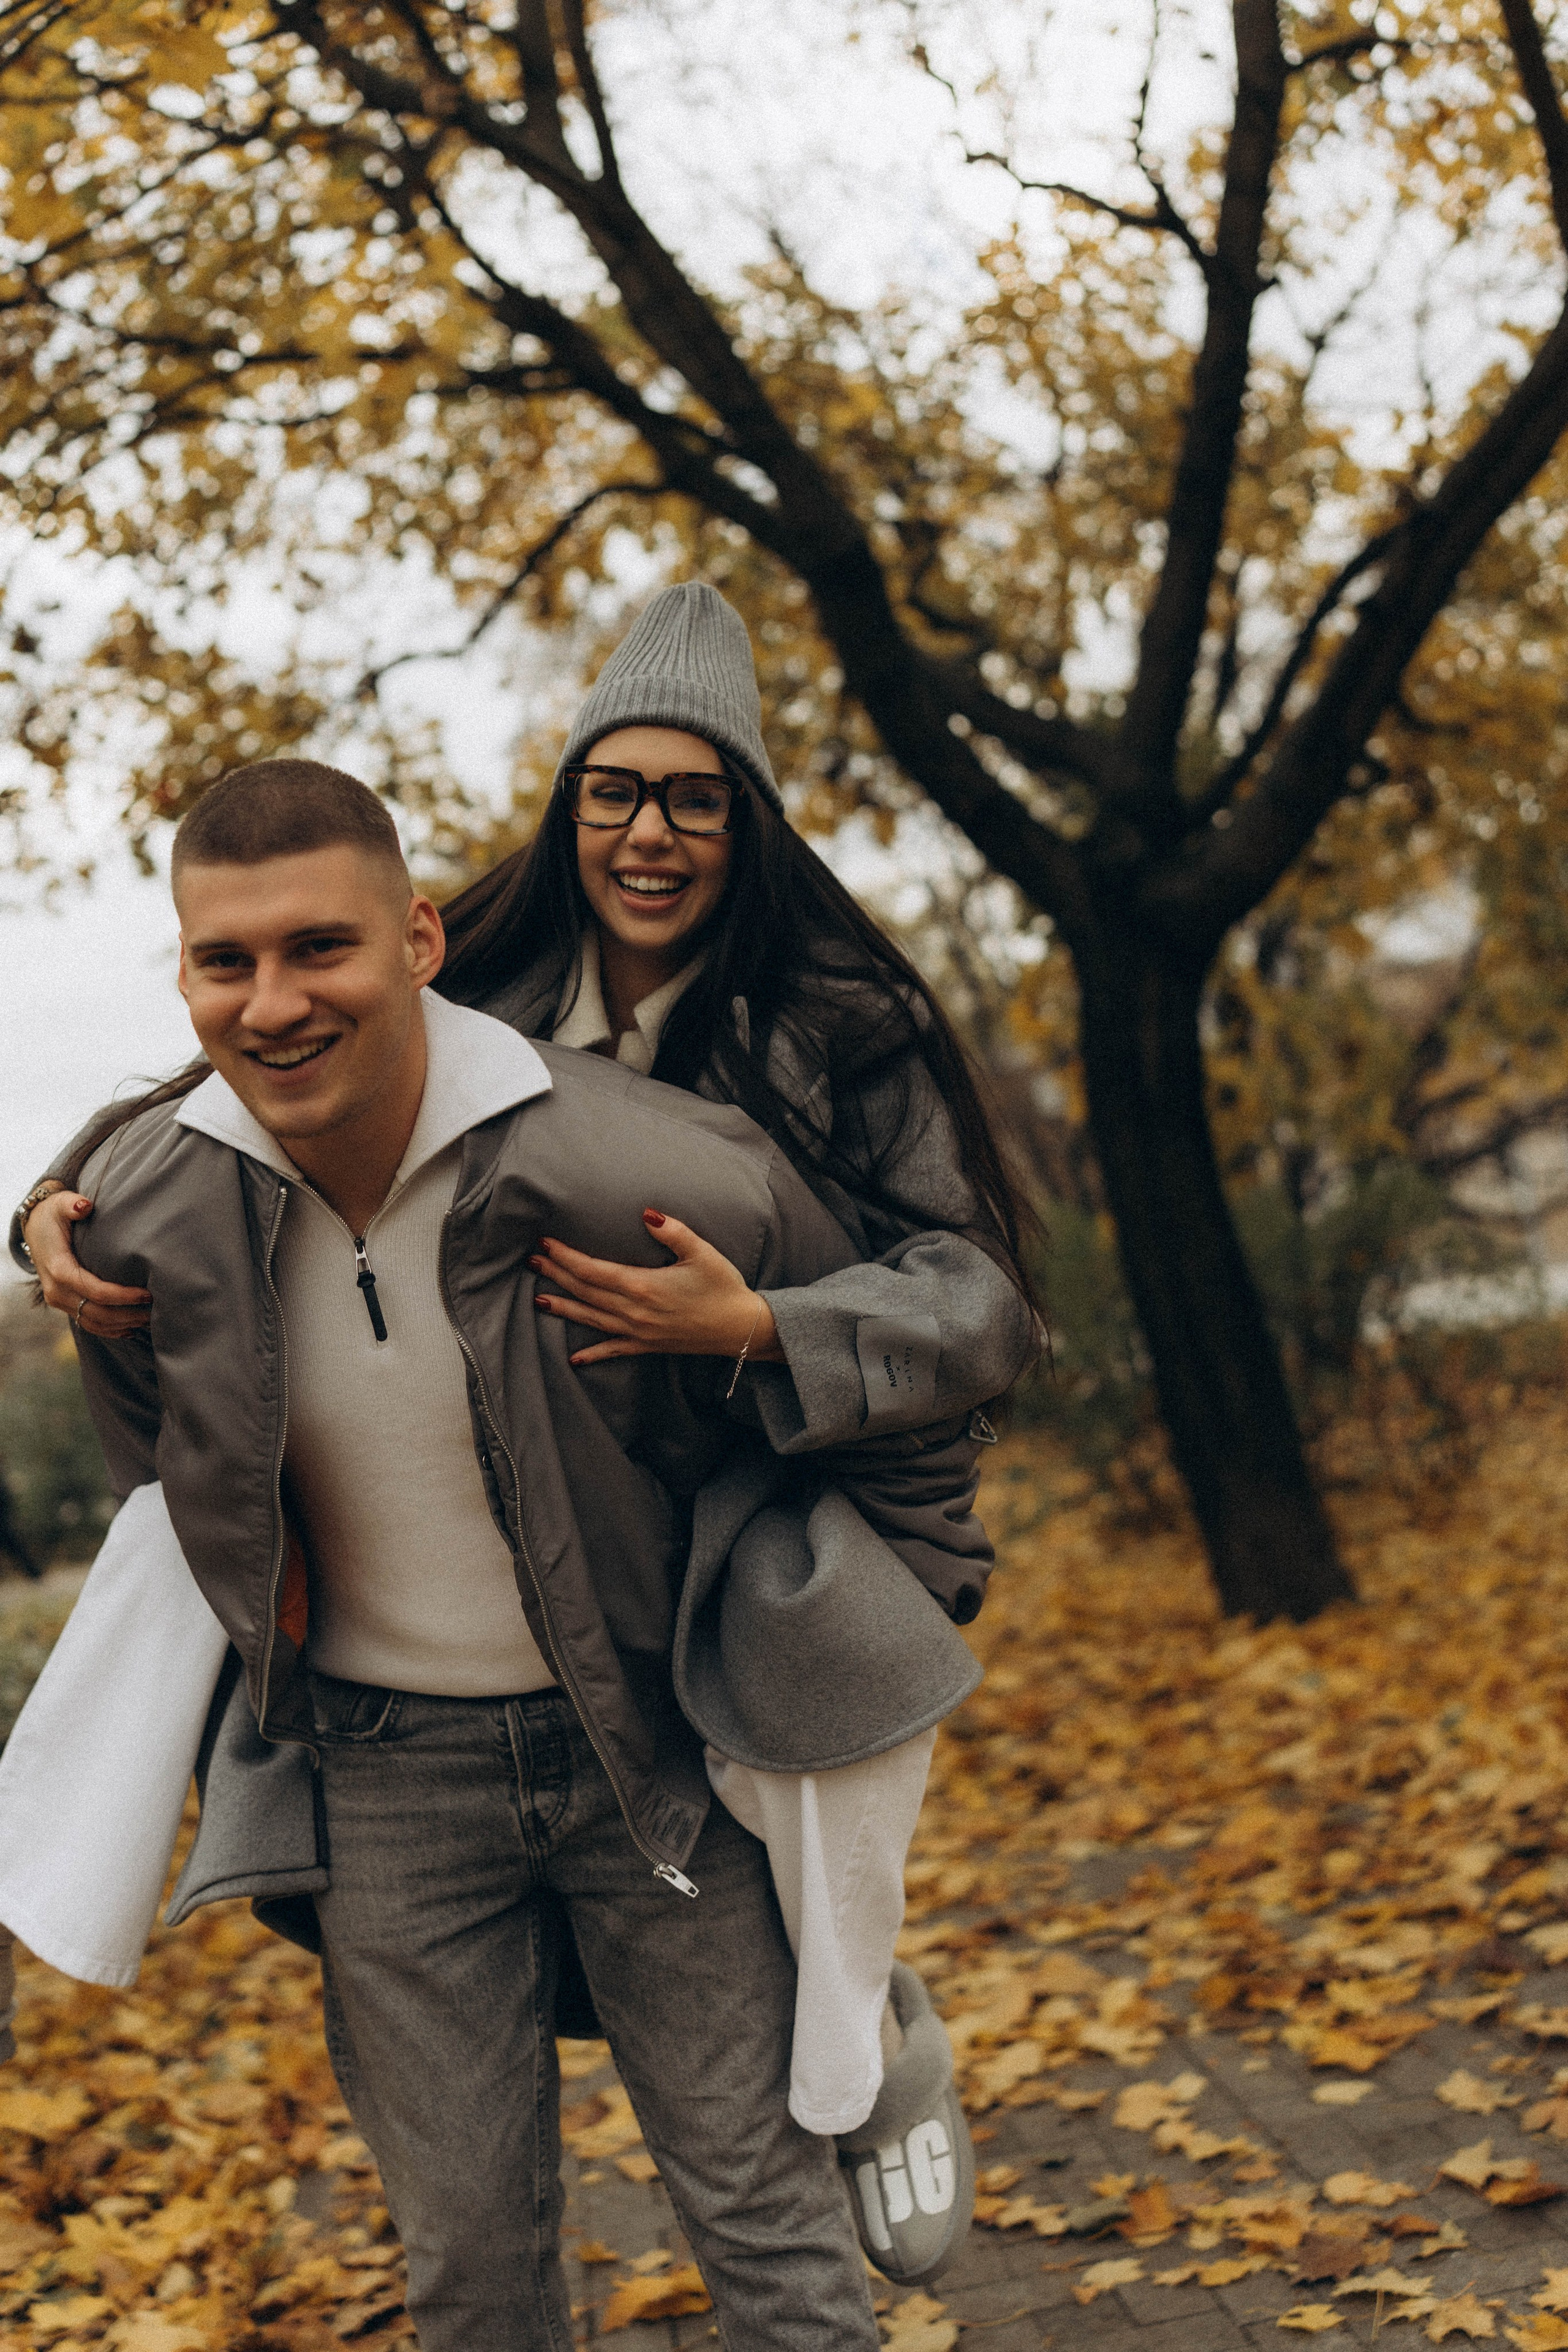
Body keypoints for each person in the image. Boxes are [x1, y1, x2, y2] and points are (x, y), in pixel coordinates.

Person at [18, 587, 1038, 2268]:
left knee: (789, 1882)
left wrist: (759, 1326)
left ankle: (870, 2054)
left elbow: (978, 1296)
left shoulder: (841, 1024)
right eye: (613, 791)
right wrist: (46, 1210)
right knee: (545, 2010)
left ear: (750, 822)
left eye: (696, 796)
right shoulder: (481, 974)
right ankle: (834, 2027)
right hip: (496, 1565)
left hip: (742, 1503)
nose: (649, 832)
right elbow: (211, 1091)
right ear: (567, 811)